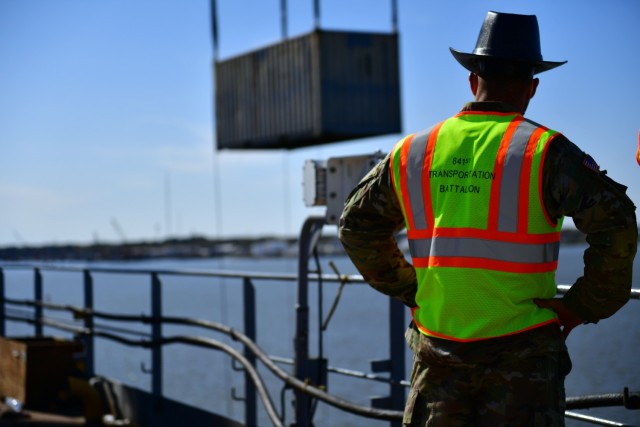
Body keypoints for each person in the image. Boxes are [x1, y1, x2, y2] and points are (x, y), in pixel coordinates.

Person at [339, 11, 637, 427]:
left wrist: (411, 288)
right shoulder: (545, 151)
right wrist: (580, 305)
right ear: (532, 88)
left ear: (472, 79)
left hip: (436, 360)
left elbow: (355, 226)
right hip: (524, 365)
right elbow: (618, 225)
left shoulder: (413, 152)